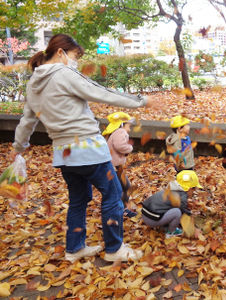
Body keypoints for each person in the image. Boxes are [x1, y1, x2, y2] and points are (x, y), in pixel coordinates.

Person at [11, 34, 155, 262]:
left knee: (78, 199)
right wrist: (140, 101)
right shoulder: (64, 73)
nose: (76, 61)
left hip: (63, 154)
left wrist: (19, 146)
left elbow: (27, 121)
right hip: (87, 149)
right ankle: (114, 249)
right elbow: (100, 92)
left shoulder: (33, 84)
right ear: (60, 53)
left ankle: (75, 248)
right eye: (75, 56)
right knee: (113, 194)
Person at [141, 170, 202, 238]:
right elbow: (185, 213)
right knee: (177, 212)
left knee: (169, 208)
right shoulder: (182, 196)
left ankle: (163, 226)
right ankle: (171, 232)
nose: (194, 192)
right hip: (152, 220)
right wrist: (193, 228)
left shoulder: (171, 188)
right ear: (190, 189)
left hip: (145, 215)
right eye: (194, 189)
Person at [102, 111, 137, 218]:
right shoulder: (121, 132)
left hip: (112, 166)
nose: (129, 129)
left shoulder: (112, 132)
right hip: (115, 167)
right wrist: (129, 148)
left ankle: (120, 209)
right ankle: (121, 210)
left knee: (121, 188)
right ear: (121, 124)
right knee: (125, 187)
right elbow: (120, 146)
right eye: (128, 126)